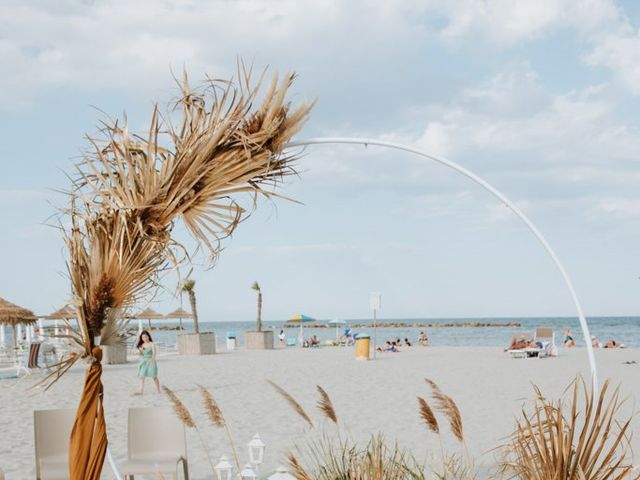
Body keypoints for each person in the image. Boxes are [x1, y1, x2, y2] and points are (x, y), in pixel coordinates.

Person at [136, 330, 159, 395]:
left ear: (148, 336)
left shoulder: (152, 344)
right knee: (142, 376)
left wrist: (151, 360)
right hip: (144, 361)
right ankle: (141, 391)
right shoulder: (142, 345)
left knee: (154, 376)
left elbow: (154, 354)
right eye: (143, 337)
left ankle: (158, 390)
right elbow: (141, 354)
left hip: (151, 361)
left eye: (146, 337)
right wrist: (140, 350)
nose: (144, 338)